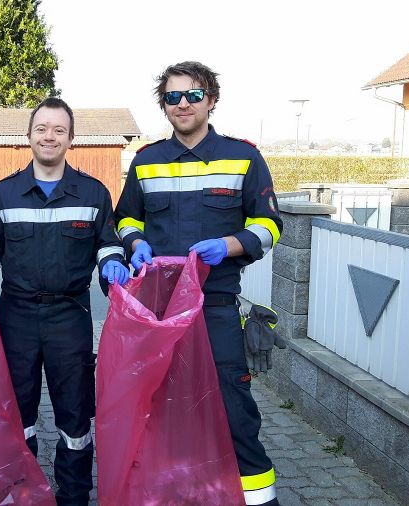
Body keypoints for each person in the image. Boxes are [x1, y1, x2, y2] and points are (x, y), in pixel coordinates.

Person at [114, 61, 284, 506]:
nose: (183, 104)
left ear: (211, 100)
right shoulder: (146, 161)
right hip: (160, 311)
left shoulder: (243, 156)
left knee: (234, 413)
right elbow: (126, 217)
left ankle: (258, 500)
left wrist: (228, 245)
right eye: (172, 97)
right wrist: (134, 242)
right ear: (164, 106)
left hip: (216, 309)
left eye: (193, 95)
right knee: (162, 412)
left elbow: (269, 224)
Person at [0, 97, 129, 505]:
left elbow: (107, 243)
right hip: (16, 316)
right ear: (29, 136)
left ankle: (74, 496)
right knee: (17, 415)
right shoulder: (5, 194)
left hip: (70, 316)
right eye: (41, 129)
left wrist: (112, 266)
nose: (49, 137)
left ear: (71, 138)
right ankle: (23, 492)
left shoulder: (93, 193)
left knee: (74, 416)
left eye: (58, 130)